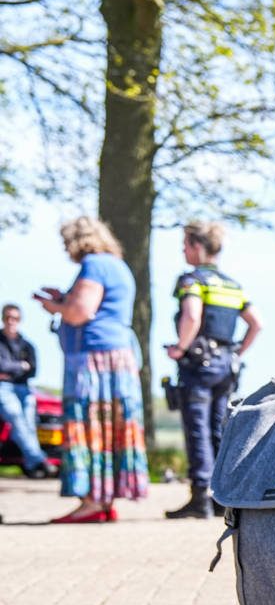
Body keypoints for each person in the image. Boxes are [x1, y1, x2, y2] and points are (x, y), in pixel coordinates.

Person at [34, 216, 149, 523]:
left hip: (94, 359)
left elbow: (81, 311)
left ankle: (91, 501)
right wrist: (64, 298)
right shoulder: (117, 265)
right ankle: (104, 498)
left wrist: (57, 307)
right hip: (116, 355)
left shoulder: (94, 265)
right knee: (109, 427)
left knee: (87, 423)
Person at [165, 220, 260, 519]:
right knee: (220, 430)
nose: (183, 251)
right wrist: (237, 352)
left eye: (185, 245)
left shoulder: (192, 281)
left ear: (197, 246)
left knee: (197, 429)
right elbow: (257, 323)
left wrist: (180, 348)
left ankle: (199, 499)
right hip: (226, 367)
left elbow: (192, 316)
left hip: (198, 365)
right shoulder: (233, 285)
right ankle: (222, 498)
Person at [0, 303, 53, 478]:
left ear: (20, 320)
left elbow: (33, 369)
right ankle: (39, 460)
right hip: (3, 387)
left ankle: (32, 464)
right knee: (15, 415)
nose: (11, 321)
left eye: (15, 318)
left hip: (24, 387)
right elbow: (2, 365)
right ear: (3, 319)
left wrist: (11, 368)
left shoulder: (27, 345)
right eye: (8, 317)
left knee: (29, 422)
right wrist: (21, 366)